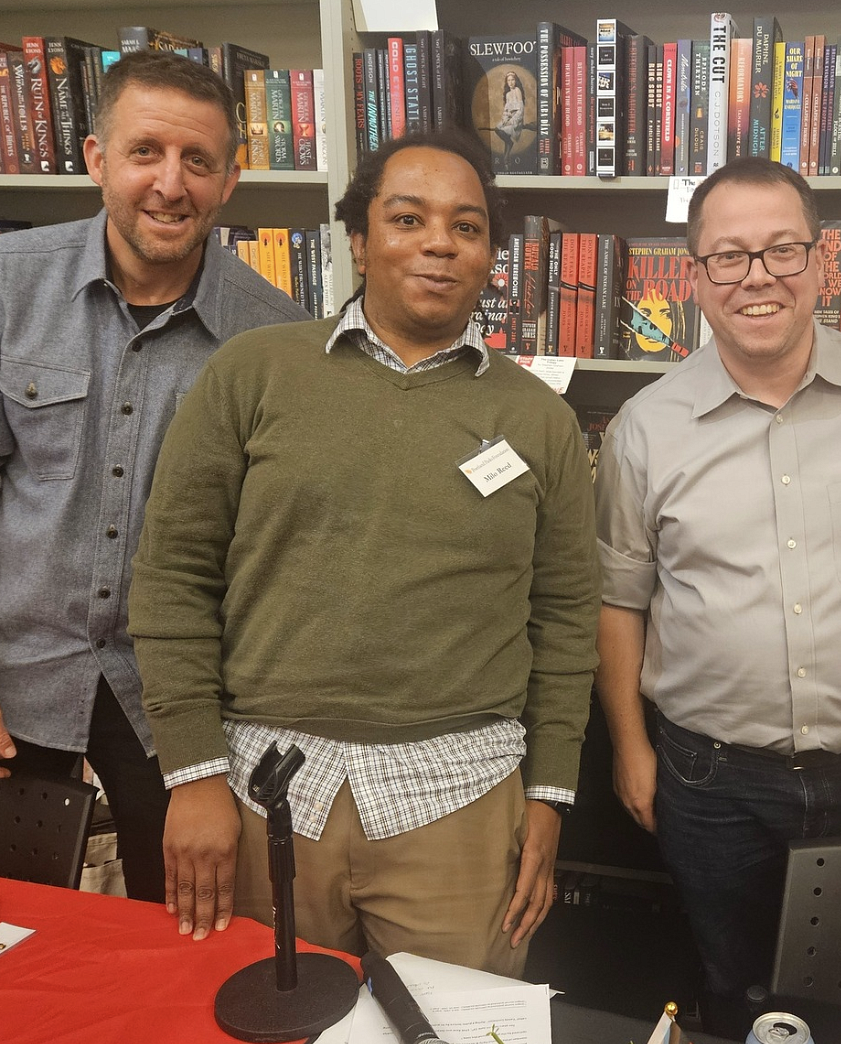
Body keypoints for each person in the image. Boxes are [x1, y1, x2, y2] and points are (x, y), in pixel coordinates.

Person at [128, 130, 600, 976]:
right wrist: (191, 772)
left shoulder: (539, 419)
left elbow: (565, 617)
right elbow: (173, 577)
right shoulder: (253, 374)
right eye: (407, 218)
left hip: (460, 798)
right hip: (262, 793)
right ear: (358, 238)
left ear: (491, 253)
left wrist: (551, 794)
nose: (438, 244)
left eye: (467, 226)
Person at [593, 157, 841, 1028]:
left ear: (822, 261)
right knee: (732, 984)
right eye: (729, 256)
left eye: (782, 251)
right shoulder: (645, 427)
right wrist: (629, 750)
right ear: (696, 277)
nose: (757, 276)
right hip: (707, 779)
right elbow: (619, 600)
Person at [0, 50, 307, 901]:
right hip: (18, 683)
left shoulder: (274, 341)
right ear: (97, 158)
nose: (170, 185)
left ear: (229, 182)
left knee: (182, 937)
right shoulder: (7, 288)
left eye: (198, 162)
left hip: (173, 709)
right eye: (145, 153)